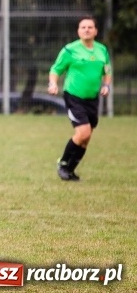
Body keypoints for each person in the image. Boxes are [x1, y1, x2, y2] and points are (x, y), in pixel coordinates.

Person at [47, 16, 112, 181]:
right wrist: (53, 84)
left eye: (90, 27)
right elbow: (56, 69)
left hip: (92, 98)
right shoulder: (70, 50)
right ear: (78, 31)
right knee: (83, 132)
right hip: (74, 96)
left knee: (86, 137)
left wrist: (106, 86)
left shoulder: (102, 50)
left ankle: (70, 170)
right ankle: (62, 163)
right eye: (83, 27)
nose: (86, 30)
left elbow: (107, 71)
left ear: (96, 31)